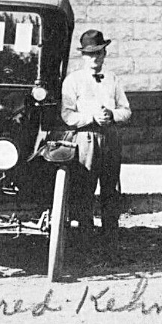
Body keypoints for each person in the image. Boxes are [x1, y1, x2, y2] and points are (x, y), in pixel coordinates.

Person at [60, 28, 132, 245]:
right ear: (83, 56)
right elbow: (67, 115)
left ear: (104, 54)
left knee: (110, 187)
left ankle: (110, 236)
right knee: (84, 188)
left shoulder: (113, 79)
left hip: (110, 137)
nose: (94, 58)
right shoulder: (73, 81)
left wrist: (112, 115)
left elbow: (126, 110)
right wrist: (91, 117)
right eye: (89, 54)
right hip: (86, 139)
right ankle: (85, 237)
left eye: (98, 53)